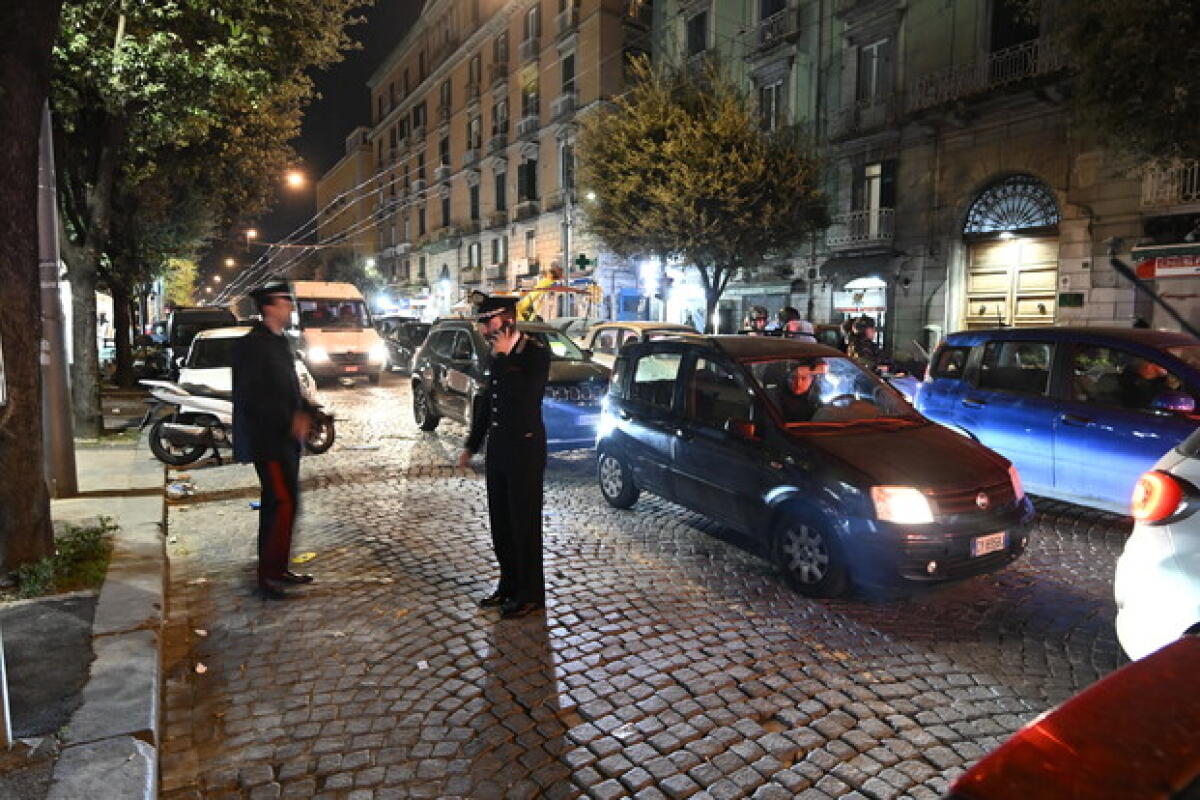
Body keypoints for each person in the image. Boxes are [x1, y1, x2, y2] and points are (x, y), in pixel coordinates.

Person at [457, 296, 552, 619]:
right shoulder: (495, 352)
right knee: (501, 523)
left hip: (524, 449)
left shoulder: (535, 352)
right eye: (482, 323)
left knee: (524, 524)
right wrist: (472, 444)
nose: (485, 329)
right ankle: (509, 584)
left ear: (508, 319)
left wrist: (506, 356)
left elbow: (525, 398)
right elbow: (488, 401)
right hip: (498, 448)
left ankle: (531, 594)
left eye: (489, 322)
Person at [232, 281, 318, 599]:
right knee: (281, 503)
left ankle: (278, 567)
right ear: (269, 306)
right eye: (285, 302)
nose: (291, 307)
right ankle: (268, 575)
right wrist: (289, 419)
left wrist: (306, 410)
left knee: (285, 503)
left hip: (286, 440)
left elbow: (289, 388)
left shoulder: (281, 342)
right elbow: (252, 398)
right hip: (267, 440)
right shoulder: (252, 346)